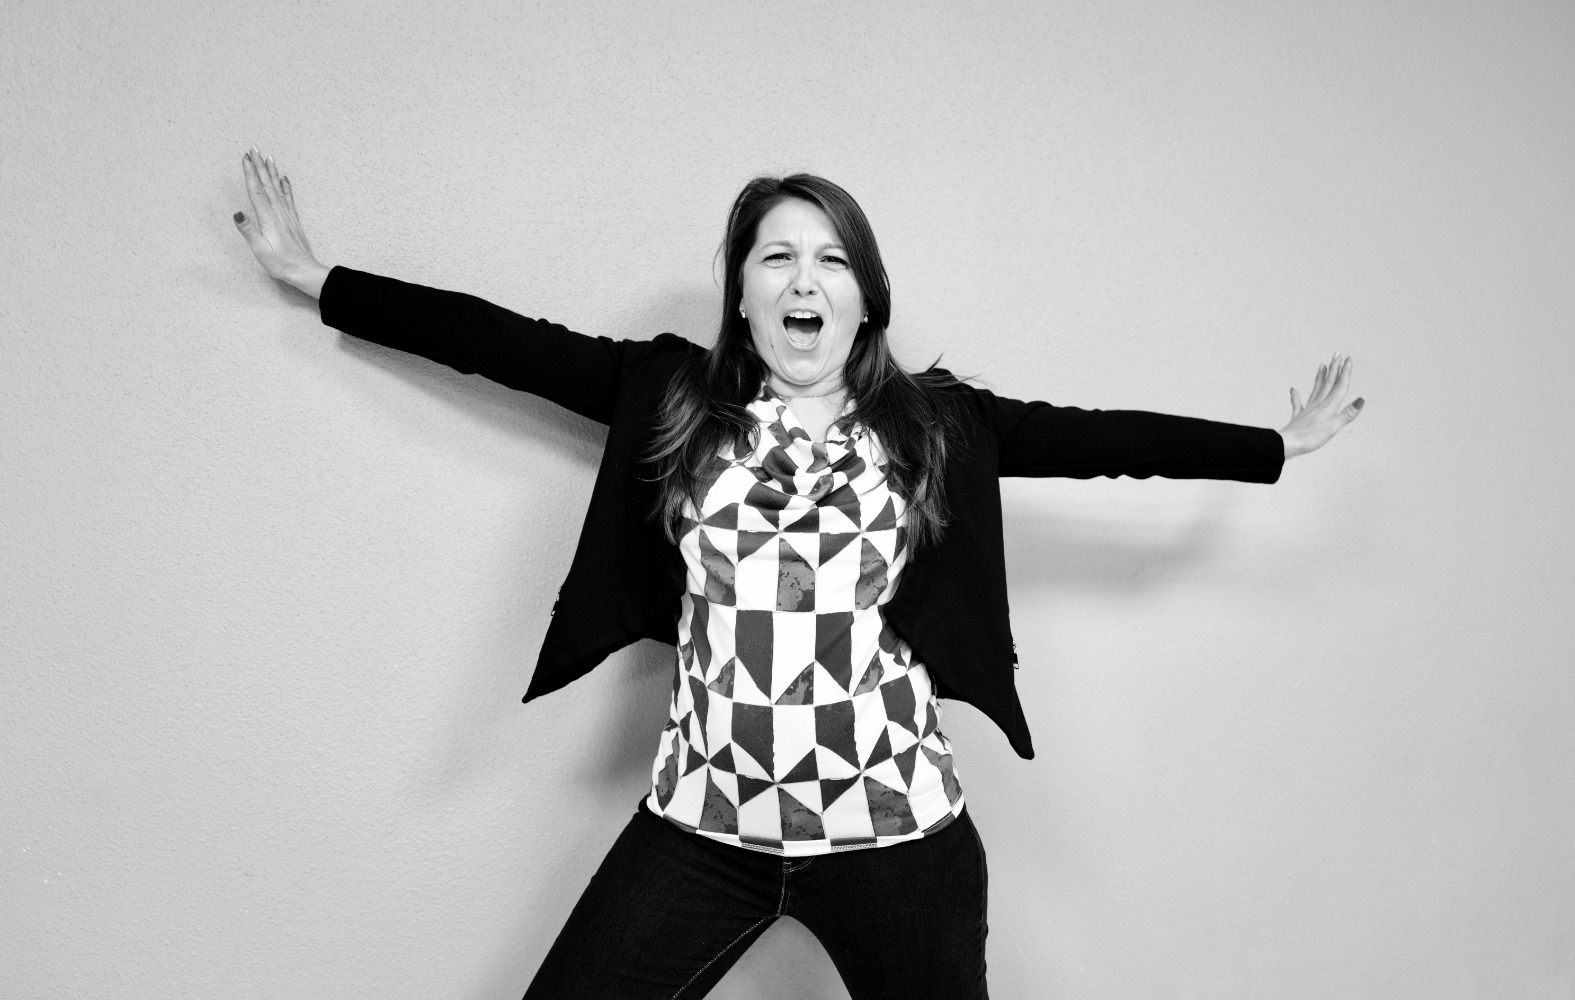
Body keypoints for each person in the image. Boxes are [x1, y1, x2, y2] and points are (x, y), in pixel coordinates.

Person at [232, 146, 1363, 998]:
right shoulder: (672, 397)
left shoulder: (938, 426)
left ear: (866, 297)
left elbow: (1109, 443)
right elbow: (497, 342)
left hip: (896, 841)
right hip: (704, 833)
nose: (802, 278)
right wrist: (316, 278)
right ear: (741, 293)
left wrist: (1273, 447)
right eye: (776, 256)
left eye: (830, 259)